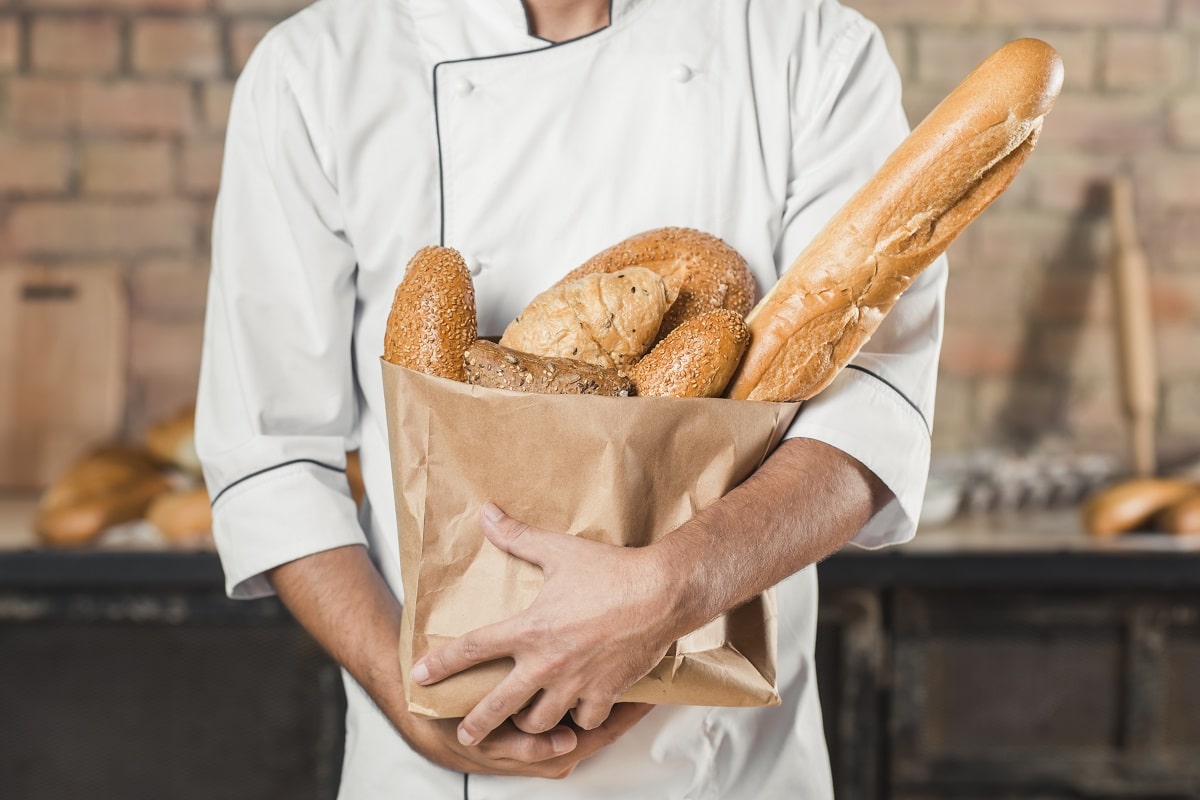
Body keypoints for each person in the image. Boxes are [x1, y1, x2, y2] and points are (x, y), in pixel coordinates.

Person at [196, 0, 946, 796]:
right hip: (436, 766)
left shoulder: (807, 46)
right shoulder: (316, 70)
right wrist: (407, 696)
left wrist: (675, 586)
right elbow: (270, 455)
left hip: (726, 767)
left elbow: (870, 413)